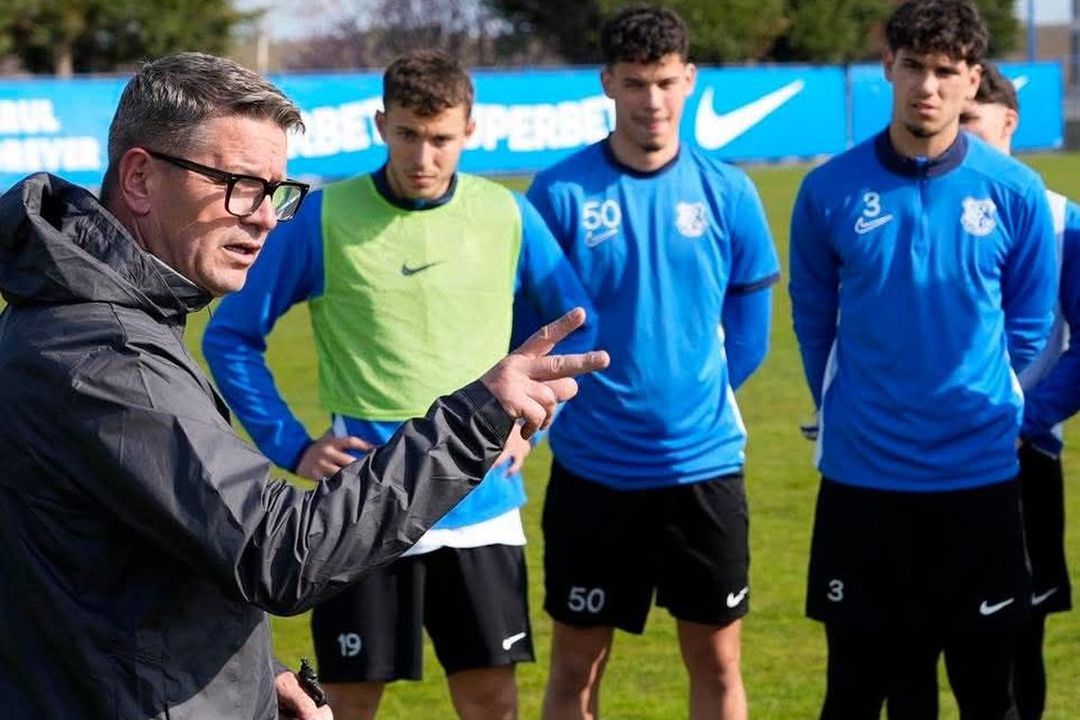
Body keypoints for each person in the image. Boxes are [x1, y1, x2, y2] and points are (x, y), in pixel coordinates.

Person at [0, 52, 608, 720]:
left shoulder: (110, 318)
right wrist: (476, 420)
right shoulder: (104, 352)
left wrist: (256, 680)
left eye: (275, 192)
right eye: (239, 185)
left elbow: (135, 571)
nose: (264, 217)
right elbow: (279, 551)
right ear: (141, 177)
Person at [203, 50, 595, 720]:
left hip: (481, 503)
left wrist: (531, 422)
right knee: (346, 703)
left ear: (470, 130)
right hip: (361, 504)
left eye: (441, 138)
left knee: (492, 702)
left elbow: (573, 331)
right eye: (408, 134)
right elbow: (231, 336)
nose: (423, 156)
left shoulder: (508, 215)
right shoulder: (323, 218)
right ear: (381, 124)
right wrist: (293, 446)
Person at [788, 1, 1059, 717]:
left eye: (945, 71)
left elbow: (1029, 326)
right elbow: (813, 322)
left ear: (972, 79)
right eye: (913, 67)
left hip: (977, 479)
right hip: (863, 481)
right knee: (857, 694)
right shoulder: (827, 190)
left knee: (987, 692)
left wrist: (975, 399)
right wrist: (857, 411)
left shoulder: (1014, 193)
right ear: (888, 68)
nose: (928, 87)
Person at [525, 7, 780, 719]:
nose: (653, 101)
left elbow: (751, 335)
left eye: (666, 82)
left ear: (689, 79)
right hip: (593, 470)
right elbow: (531, 333)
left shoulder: (729, 191)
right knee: (576, 666)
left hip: (703, 468)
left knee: (717, 662)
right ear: (608, 82)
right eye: (636, 83)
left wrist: (689, 399)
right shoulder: (560, 193)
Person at [957, 61, 1076, 720]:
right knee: (917, 634)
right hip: (927, 455)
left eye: (971, 120)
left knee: (1020, 637)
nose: (959, 134)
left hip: (1023, 457)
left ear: (1009, 121)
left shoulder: (1061, 222)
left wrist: (1027, 419)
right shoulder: (925, 207)